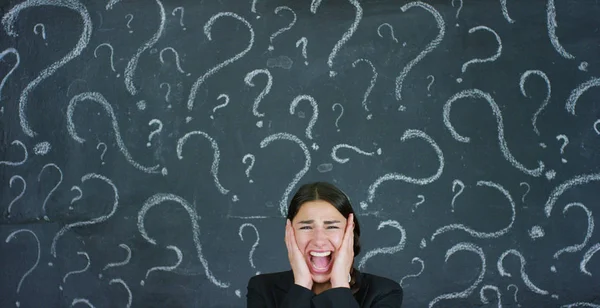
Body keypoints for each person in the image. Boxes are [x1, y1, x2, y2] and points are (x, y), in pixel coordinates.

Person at [247, 182, 403, 307]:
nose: (319, 240)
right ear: (290, 232)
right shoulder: (262, 288)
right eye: (306, 227)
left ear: (350, 232)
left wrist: (340, 285)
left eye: (332, 226)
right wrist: (301, 284)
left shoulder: (385, 292)